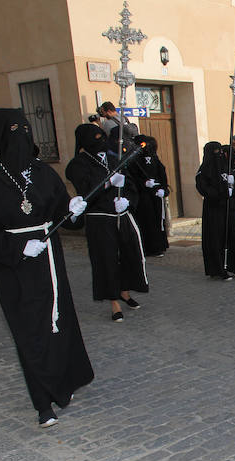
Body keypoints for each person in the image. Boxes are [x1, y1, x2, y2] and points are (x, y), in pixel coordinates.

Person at [0, 108, 93, 427]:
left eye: (26, 130)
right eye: (13, 132)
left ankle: (62, 386)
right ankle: (42, 402)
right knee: (30, 330)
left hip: (49, 257)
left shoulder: (42, 171)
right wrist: (18, 247)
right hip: (15, 265)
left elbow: (59, 207)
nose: (21, 138)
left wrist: (74, 209)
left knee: (58, 321)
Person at [66, 124, 148, 322]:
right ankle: (113, 302)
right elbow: (86, 191)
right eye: (95, 138)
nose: (101, 141)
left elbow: (129, 184)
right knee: (106, 259)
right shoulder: (78, 164)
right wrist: (108, 184)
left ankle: (125, 291)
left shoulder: (113, 159)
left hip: (120, 215)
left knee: (129, 255)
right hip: (99, 219)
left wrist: (127, 200)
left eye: (102, 137)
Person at [196, 141, 235, 280]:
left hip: (230, 208)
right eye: (215, 152)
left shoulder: (227, 167)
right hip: (214, 209)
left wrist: (234, 184)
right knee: (217, 239)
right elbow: (203, 188)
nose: (218, 155)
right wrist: (221, 192)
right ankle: (219, 268)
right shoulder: (204, 170)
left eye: (220, 152)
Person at [129, 135, 169, 257]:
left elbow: (161, 172)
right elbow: (132, 176)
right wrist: (143, 183)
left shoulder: (154, 157)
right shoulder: (133, 160)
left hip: (156, 193)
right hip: (143, 196)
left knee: (158, 219)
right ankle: (148, 247)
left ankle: (159, 245)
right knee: (147, 220)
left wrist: (163, 188)